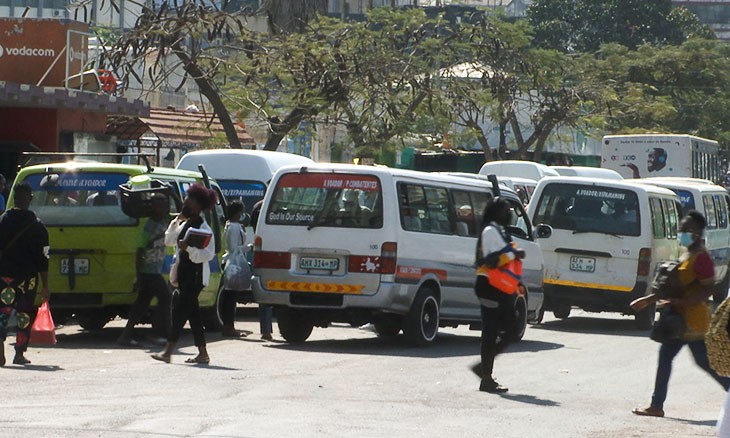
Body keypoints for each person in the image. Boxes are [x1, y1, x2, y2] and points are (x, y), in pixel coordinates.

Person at [631, 210, 730, 417]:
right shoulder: (687, 254)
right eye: (682, 229)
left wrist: (683, 302)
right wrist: (647, 300)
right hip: (678, 320)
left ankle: (657, 405)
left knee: (706, 363)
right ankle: (656, 405)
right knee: (669, 357)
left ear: (698, 233)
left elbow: (707, 289)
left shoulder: (701, 258)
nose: (683, 233)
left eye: (688, 230)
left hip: (694, 321)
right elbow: (671, 286)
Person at [152, 183, 217, 364]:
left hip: (195, 277)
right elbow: (169, 240)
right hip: (182, 275)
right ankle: (202, 353)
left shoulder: (204, 229)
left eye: (189, 199)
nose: (186, 202)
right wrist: (177, 221)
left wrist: (189, 249)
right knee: (193, 314)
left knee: (179, 312)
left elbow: (207, 254)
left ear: (197, 204)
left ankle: (168, 351)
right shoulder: (186, 223)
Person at [473, 197, 526, 393]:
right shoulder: (489, 232)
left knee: (511, 331)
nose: (509, 214)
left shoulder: (500, 231)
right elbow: (492, 261)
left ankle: (483, 369)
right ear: (496, 212)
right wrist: (514, 254)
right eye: (505, 210)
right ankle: (486, 377)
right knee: (490, 333)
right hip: (489, 286)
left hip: (502, 288)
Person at [0, 182, 50, 366]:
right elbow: (44, 258)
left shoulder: (3, 220)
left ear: (14, 198)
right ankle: (19, 354)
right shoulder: (38, 226)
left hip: (5, 278)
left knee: (2, 314)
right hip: (27, 281)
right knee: (24, 316)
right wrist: (46, 286)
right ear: (30, 198)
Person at [117, 194, 171, 347]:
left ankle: (125, 336)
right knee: (166, 298)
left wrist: (172, 194)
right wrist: (138, 275)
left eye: (165, 205)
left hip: (154, 270)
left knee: (142, 303)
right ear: (152, 207)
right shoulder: (149, 226)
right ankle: (158, 333)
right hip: (148, 270)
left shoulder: (166, 220)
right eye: (159, 205)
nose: (163, 208)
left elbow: (182, 213)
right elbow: (140, 251)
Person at [221, 200, 249, 338]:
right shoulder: (234, 227)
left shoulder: (230, 225)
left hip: (231, 262)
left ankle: (228, 325)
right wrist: (249, 247)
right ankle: (229, 327)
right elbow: (233, 248)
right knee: (231, 297)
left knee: (230, 296)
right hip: (234, 262)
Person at [250, 200, 273, 340]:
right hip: (274, 251)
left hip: (263, 251)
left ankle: (266, 331)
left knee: (265, 295)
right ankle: (266, 331)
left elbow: (255, 228)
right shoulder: (273, 206)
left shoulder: (258, 206)